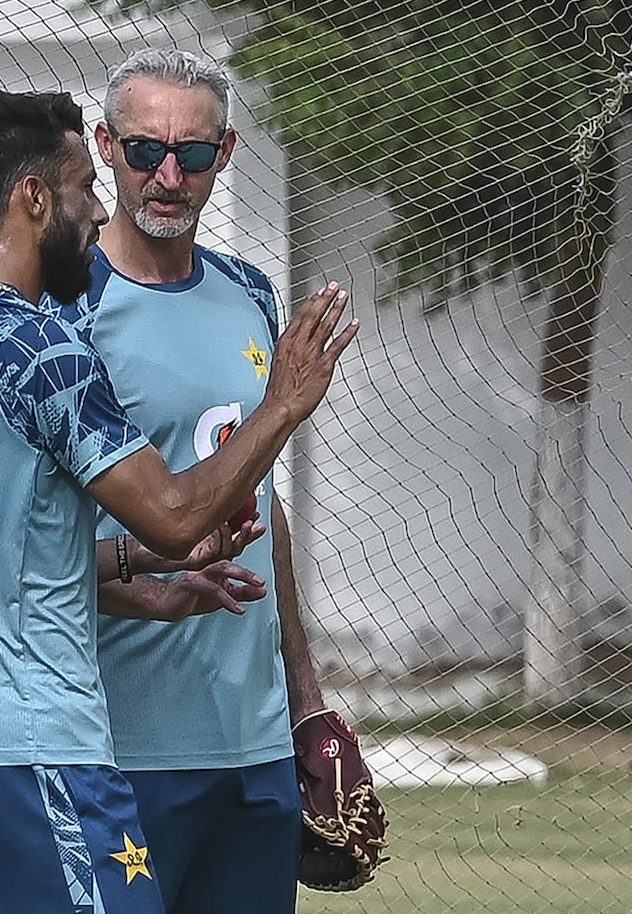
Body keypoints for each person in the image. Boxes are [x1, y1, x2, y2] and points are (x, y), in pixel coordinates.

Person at [0, 85, 357, 914]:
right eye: (84, 187)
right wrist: (281, 403)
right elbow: (172, 507)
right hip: (34, 750)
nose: (99, 213)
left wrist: (150, 570)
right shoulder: (43, 345)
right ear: (34, 199)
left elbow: (6, 561)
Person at [48, 49, 385, 913]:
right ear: (103, 146)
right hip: (120, 744)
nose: (167, 175)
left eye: (192, 155)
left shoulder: (248, 294)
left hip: (254, 742)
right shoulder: (60, 310)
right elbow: (29, 537)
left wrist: (306, 703)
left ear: (225, 156)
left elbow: (261, 501)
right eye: (143, 151)